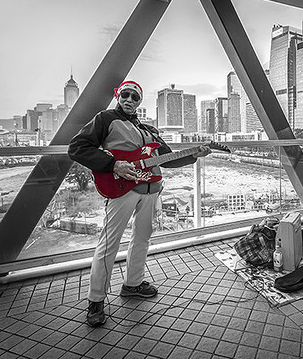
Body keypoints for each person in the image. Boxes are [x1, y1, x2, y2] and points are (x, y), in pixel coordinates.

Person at [68, 80, 211, 327]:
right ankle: (96, 300)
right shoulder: (105, 119)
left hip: (151, 190)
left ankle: (132, 284)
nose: (130, 100)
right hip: (122, 188)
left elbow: (165, 159)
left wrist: (192, 156)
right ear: (118, 95)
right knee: (109, 243)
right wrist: (113, 165)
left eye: (135, 97)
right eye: (126, 95)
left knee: (142, 239)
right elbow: (77, 147)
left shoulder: (150, 131)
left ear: (139, 102)